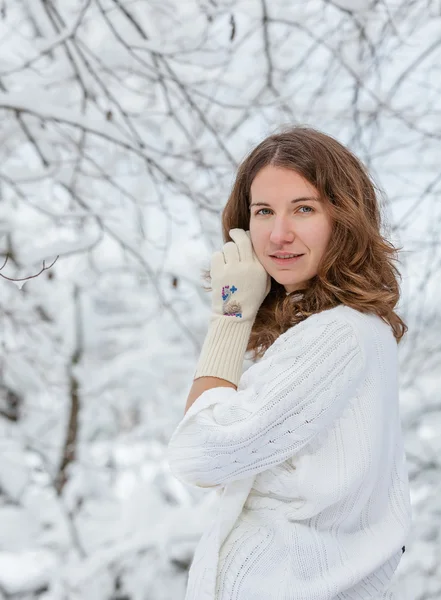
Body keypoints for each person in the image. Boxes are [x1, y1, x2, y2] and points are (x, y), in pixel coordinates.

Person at [166, 126, 412, 600]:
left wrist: (230, 316)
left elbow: (199, 455)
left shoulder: (337, 335)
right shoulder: (346, 332)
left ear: (345, 217)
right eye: (263, 212)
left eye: (304, 208)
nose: (279, 235)